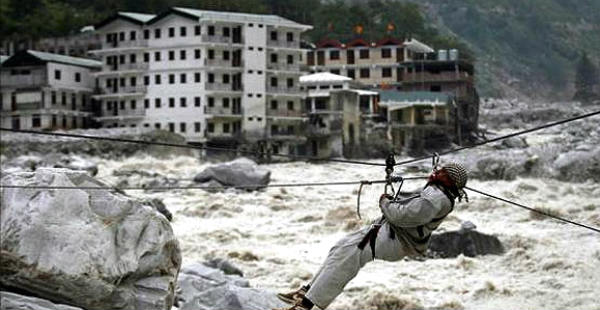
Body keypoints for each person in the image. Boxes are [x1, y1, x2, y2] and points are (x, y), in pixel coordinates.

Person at [275, 162, 468, 310]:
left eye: (441, 172)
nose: (436, 172)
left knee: (349, 258)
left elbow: (402, 216)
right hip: (390, 231)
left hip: (396, 239)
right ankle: (307, 291)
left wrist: (385, 203)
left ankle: (307, 305)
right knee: (341, 247)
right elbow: (411, 208)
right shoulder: (439, 193)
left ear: (447, 178)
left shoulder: (435, 198)